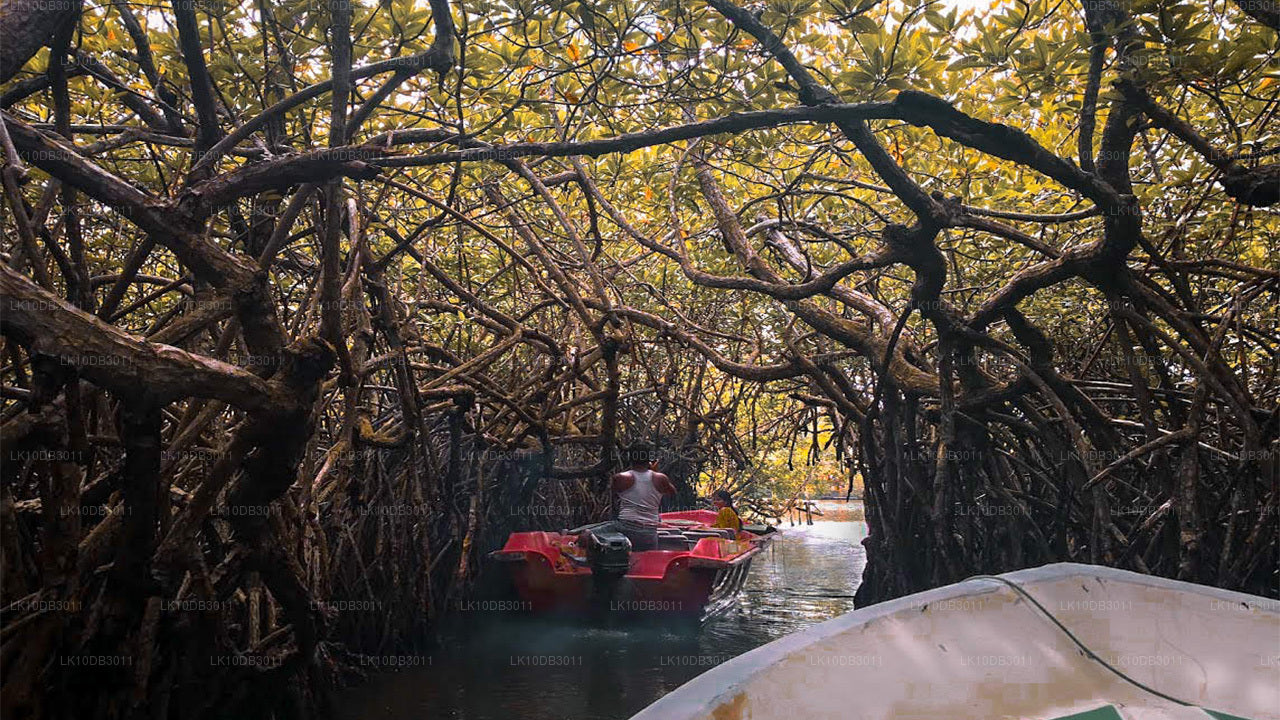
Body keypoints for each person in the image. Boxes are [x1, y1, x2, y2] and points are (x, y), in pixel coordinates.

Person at [611, 443, 676, 551]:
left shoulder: (620, 478)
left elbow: (614, 497)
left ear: (630, 458)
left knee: (588, 532)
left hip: (625, 528)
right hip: (649, 532)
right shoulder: (660, 479)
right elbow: (672, 492)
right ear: (649, 460)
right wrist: (654, 472)